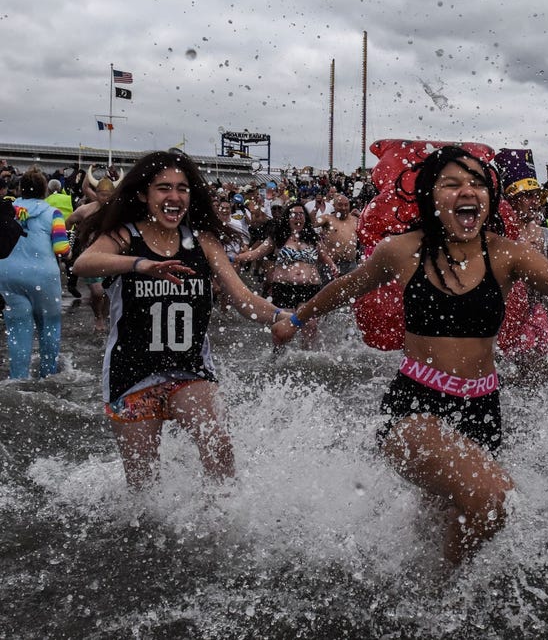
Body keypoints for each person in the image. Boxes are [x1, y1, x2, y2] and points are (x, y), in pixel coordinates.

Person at [271, 145, 548, 565]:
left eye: (477, 183)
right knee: (494, 498)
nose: (467, 191)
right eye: (452, 183)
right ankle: (438, 604)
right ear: (431, 196)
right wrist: (294, 319)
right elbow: (344, 287)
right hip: (414, 406)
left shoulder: (509, 255)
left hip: (483, 410)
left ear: (489, 197)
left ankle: (423, 595)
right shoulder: (401, 251)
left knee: (450, 521)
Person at [72, 151, 284, 488]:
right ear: (143, 194)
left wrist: (279, 316)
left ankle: (222, 527)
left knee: (219, 446)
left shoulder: (202, 240)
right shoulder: (126, 237)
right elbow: (83, 264)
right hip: (132, 374)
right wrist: (140, 265)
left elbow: (243, 298)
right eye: (164, 188)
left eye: (182, 188)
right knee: (144, 485)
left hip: (189, 369)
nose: (174, 197)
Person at [234, 201, 337, 348]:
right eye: (294, 214)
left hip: (310, 288)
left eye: (301, 214)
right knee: (283, 329)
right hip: (284, 287)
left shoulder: (312, 238)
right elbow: (255, 254)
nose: (298, 217)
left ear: (305, 218)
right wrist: (235, 258)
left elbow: (324, 256)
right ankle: (278, 358)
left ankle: (306, 357)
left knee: (311, 326)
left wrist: (332, 265)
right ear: (288, 218)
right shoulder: (277, 238)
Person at [0, 169, 69, 378]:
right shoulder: (53, 213)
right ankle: (48, 376)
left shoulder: (7, 209)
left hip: (7, 276)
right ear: (45, 191)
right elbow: (61, 249)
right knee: (50, 325)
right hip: (44, 277)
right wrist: (69, 248)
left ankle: (18, 378)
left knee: (18, 328)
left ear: (21, 189)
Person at [67, 178, 118, 332]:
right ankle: (98, 317)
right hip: (90, 255)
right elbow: (67, 222)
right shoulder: (86, 210)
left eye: (109, 195)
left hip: (111, 256)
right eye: (102, 194)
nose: (105, 198)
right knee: (97, 291)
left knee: (108, 291)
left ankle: (103, 316)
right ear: (96, 194)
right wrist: (69, 241)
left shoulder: (117, 211)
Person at [314, 193, 359, 276]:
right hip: (331, 264)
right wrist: (315, 210)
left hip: (351, 265)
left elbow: (370, 228)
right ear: (334, 206)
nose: (343, 208)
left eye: (346, 205)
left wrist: (361, 216)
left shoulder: (355, 220)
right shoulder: (328, 218)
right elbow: (312, 224)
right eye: (340, 205)